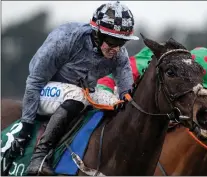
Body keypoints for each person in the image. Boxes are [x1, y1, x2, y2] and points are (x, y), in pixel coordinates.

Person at [9, 1, 139, 175]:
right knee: (77, 97)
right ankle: (39, 157)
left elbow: (126, 92)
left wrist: (127, 100)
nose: (116, 48)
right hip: (44, 89)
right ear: (97, 34)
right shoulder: (66, 39)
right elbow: (34, 81)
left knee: (117, 103)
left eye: (122, 42)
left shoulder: (119, 54)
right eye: (113, 41)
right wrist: (25, 128)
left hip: (82, 92)